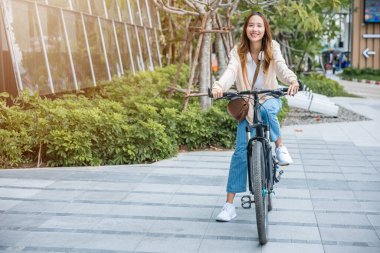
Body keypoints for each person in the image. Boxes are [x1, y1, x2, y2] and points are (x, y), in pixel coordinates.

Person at [211, 12, 300, 222]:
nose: (255, 29)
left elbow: (280, 67)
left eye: (259, 25)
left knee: (268, 110)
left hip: (270, 98)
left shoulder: (272, 47)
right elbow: (230, 71)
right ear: (246, 29)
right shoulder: (238, 51)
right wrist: (218, 86)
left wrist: (292, 81)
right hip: (248, 105)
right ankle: (229, 205)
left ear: (265, 29)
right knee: (240, 153)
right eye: (251, 25)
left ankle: (279, 146)